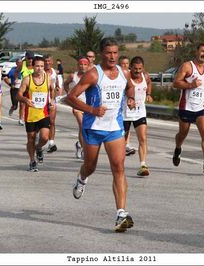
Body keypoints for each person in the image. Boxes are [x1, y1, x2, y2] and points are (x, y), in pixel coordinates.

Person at [67, 38, 136, 232]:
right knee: (90, 166)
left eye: (115, 52)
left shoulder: (124, 73)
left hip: (114, 127)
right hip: (94, 127)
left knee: (119, 167)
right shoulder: (93, 74)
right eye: (108, 53)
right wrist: (92, 109)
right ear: (101, 54)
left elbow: (129, 87)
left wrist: (130, 98)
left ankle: (121, 213)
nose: (113, 56)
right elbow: (71, 97)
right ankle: (81, 178)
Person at [172, 43, 204, 173]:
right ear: (197, 52)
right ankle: (178, 148)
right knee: (183, 134)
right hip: (186, 107)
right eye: (202, 51)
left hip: (201, 107)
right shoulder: (187, 66)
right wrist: (191, 85)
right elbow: (176, 83)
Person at [17, 56, 53, 172]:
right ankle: (32, 161)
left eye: (42, 66)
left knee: (44, 137)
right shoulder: (27, 79)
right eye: (37, 66)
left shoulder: (48, 78)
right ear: (33, 66)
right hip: (30, 114)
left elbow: (51, 90)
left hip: (43, 113)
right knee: (31, 138)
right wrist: (25, 100)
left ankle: (39, 148)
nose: (39, 68)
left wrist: (51, 100)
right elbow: (18, 95)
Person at [123, 56, 153, 177]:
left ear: (143, 68)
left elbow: (149, 83)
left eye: (140, 69)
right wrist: (128, 100)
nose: (138, 71)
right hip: (125, 113)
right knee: (122, 142)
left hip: (140, 112)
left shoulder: (145, 76)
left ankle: (143, 165)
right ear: (131, 67)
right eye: (135, 69)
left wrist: (149, 94)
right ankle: (119, 164)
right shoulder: (126, 77)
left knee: (143, 138)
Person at [63, 56, 90, 159]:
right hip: (77, 105)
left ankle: (79, 144)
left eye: (85, 64)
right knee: (82, 125)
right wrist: (69, 93)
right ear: (77, 65)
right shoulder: (73, 76)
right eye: (80, 64)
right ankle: (84, 150)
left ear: (88, 66)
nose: (82, 66)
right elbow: (65, 84)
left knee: (86, 128)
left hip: (88, 105)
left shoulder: (91, 76)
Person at [118, 55, 135, 156]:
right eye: (122, 64)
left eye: (127, 63)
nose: (125, 65)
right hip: (119, 103)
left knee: (127, 124)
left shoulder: (132, 74)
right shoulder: (117, 74)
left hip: (128, 103)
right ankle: (121, 145)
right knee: (122, 125)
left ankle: (126, 144)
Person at [15, 50, 36, 126]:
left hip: (33, 87)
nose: (30, 60)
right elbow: (16, 71)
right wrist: (17, 78)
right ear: (26, 58)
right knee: (22, 104)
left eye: (32, 58)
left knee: (33, 104)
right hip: (24, 87)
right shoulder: (22, 64)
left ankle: (33, 118)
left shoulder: (35, 65)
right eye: (29, 58)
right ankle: (21, 119)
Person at [44, 54, 58, 153]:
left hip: (51, 100)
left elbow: (55, 85)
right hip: (41, 100)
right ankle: (38, 140)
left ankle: (51, 143)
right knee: (40, 122)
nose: (47, 63)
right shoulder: (40, 71)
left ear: (52, 62)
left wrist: (54, 98)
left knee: (52, 122)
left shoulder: (54, 72)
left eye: (49, 61)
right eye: (46, 61)